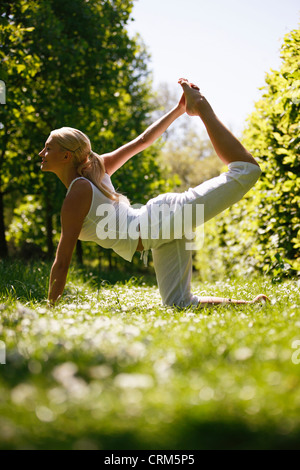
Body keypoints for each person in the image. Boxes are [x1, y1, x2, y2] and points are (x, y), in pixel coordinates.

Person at [39, 78, 270, 308]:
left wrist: (51, 307)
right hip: (159, 233)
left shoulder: (80, 188)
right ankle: (253, 305)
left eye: (48, 148)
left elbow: (62, 261)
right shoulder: (94, 171)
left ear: (66, 156)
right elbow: (143, 140)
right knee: (179, 303)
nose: (42, 153)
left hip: (161, 219)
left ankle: (201, 106)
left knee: (246, 171)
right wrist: (178, 109)